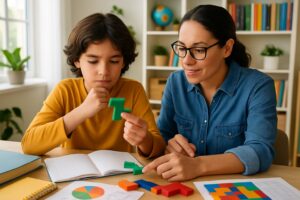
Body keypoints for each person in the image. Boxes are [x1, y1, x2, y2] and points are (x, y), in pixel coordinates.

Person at [143, 5, 277, 181]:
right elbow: (163, 136)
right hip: (186, 188)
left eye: (199, 50)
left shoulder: (258, 86)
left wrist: (198, 165)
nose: (186, 61)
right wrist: (169, 145)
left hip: (233, 189)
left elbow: (260, 150)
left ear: (227, 48)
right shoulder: (175, 83)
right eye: (182, 48)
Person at [21, 13, 165, 157]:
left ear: (123, 62)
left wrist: (144, 140)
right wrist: (82, 111)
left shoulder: (134, 90)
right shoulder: (64, 90)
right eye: (93, 61)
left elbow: (158, 148)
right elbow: (29, 144)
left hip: (118, 175)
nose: (103, 71)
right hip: (72, 173)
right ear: (77, 60)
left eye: (114, 61)